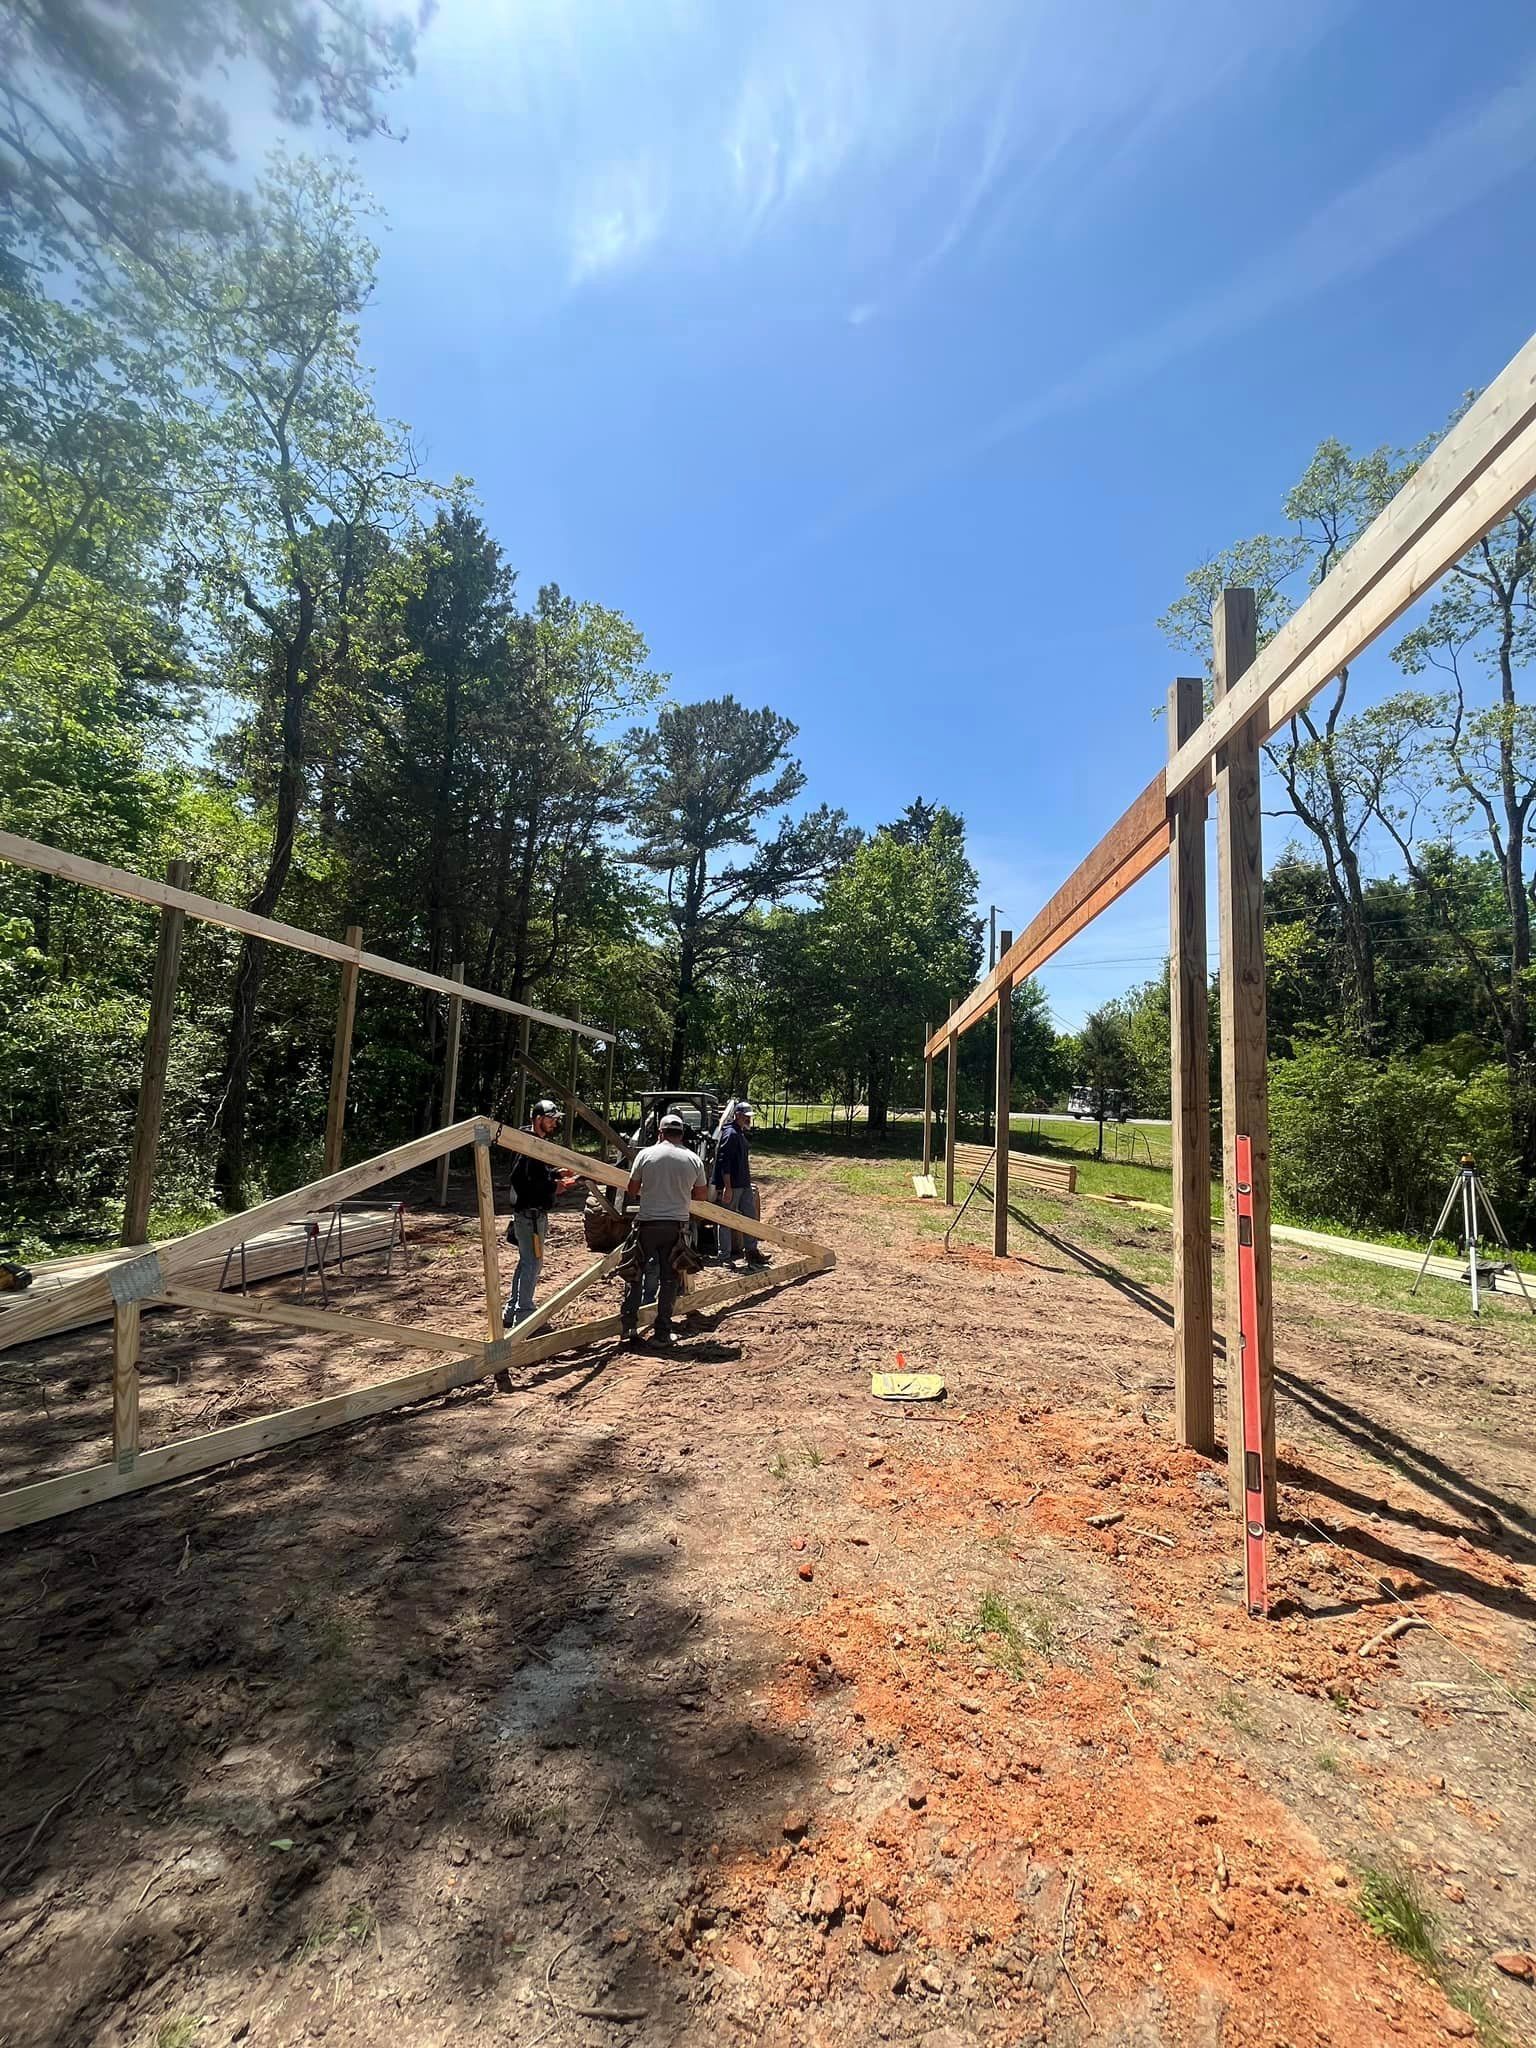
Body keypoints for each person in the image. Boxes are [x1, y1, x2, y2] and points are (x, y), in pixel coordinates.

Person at [620, 1112, 706, 1346]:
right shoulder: (693, 1159)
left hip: (647, 1225)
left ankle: (629, 1329)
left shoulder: (645, 1154)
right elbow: (701, 1195)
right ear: (682, 1133)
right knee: (669, 1280)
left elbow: (632, 1189)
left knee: (635, 1274)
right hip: (675, 1228)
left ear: (660, 1132)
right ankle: (662, 1333)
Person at [503, 1099, 576, 1329]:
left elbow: (536, 1175)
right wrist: (554, 1186)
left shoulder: (535, 1143)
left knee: (526, 1262)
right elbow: (520, 1179)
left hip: (531, 1214)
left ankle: (512, 1309)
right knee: (532, 1264)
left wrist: (555, 1174)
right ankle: (524, 1315)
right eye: (550, 1119)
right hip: (530, 1216)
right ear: (538, 1119)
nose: (554, 1123)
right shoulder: (529, 1146)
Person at [712, 1099, 769, 1268]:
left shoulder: (739, 1132)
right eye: (746, 1116)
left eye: (749, 1117)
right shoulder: (730, 1134)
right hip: (733, 1185)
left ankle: (751, 1252)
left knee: (750, 1216)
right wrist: (727, 1188)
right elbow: (725, 1162)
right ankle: (724, 1256)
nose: (748, 1119)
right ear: (737, 1115)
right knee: (726, 1219)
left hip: (743, 1184)